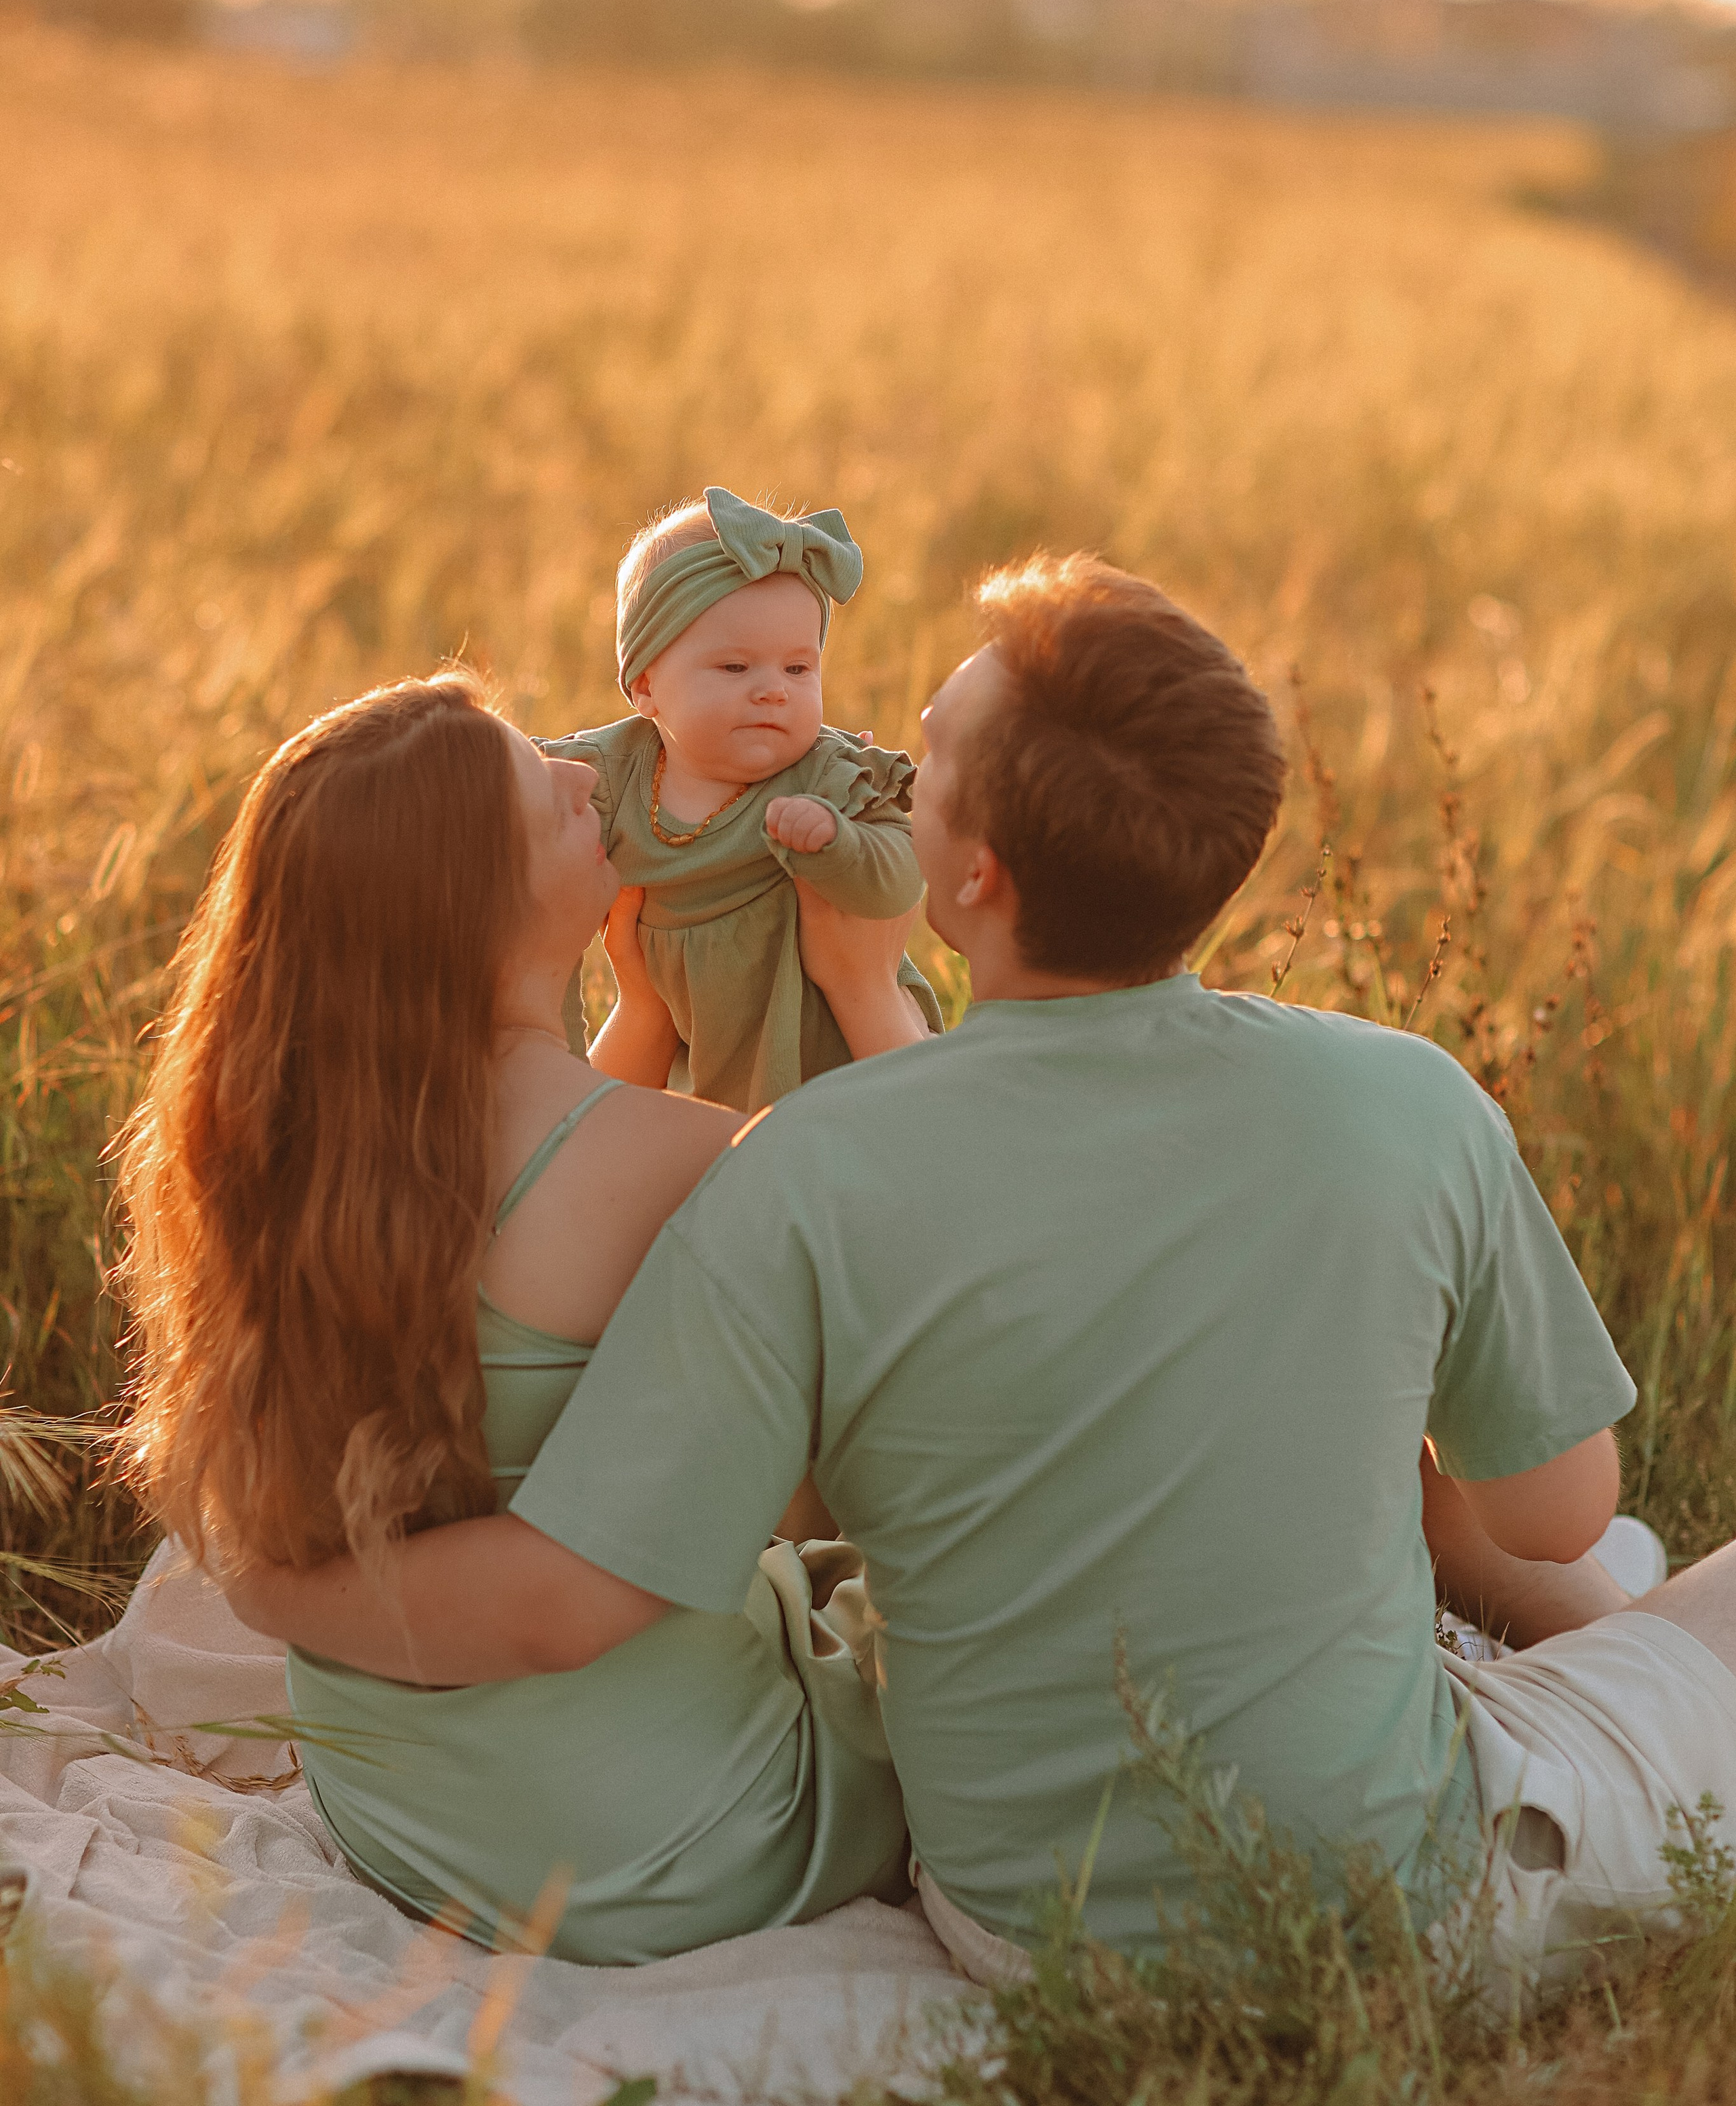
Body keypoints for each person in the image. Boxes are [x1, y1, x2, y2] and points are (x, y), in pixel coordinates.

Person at [230, 559, 1736, 2001]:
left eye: (914, 764)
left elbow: (769, 1507)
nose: (863, 765)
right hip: (1381, 1908)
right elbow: (1558, 1511)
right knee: (1638, 1592)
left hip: (1008, 1918)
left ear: (968, 874)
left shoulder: (798, 1169)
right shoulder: (1406, 1098)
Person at [120, 671, 918, 1964]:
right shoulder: (677, 1162)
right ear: (472, 905)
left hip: (403, 1814)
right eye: (533, 791)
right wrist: (868, 991)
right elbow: (840, 1485)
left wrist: (647, 1013)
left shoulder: (282, 1151)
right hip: (658, 1842)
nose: (582, 774)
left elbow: (525, 1228)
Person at [542, 486, 942, 1110]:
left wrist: (840, 846)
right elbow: (523, 820)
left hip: (851, 1065)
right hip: (708, 1075)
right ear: (644, 686)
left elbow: (899, 881)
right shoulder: (613, 775)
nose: (773, 691)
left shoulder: (827, 775)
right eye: (736, 668)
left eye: (798, 669)